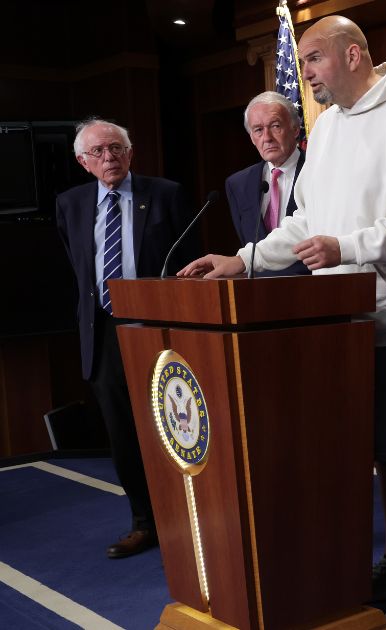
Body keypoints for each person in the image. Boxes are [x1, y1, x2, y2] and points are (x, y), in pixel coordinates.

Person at [178, 15, 386, 630]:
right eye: (302, 61)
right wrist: (244, 259)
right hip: (343, 318)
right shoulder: (328, 125)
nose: (304, 73)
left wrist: (350, 246)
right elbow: (305, 221)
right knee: (379, 448)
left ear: (354, 55)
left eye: (314, 59)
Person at [55, 119, 199, 559]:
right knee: (123, 434)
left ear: (131, 153)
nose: (108, 158)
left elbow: (190, 265)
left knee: (177, 429)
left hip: (160, 329)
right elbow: (80, 269)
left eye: (116, 148)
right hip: (104, 334)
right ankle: (144, 523)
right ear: (83, 162)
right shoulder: (71, 204)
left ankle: (192, 520)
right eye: (97, 152)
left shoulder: (167, 194)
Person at [225, 91, 309, 277]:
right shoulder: (238, 184)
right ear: (252, 138)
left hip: (311, 288)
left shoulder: (315, 170)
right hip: (260, 292)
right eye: (258, 130)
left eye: (276, 126)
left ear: (295, 129)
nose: (267, 137)